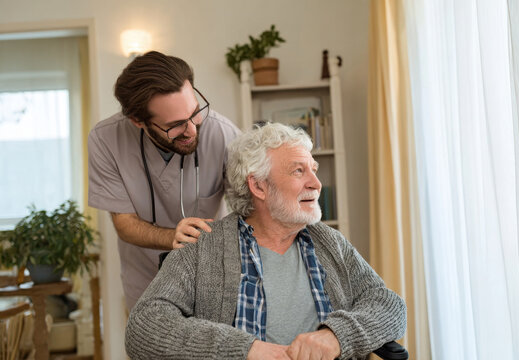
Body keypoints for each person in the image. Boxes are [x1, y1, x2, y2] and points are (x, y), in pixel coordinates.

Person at [125, 122, 407, 359]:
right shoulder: (204, 246)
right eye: (299, 171)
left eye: (314, 170)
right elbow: (144, 327)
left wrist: (336, 336)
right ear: (258, 185)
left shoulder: (329, 242)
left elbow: (389, 305)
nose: (316, 184)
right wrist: (246, 350)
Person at [88, 51, 241, 309]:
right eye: (177, 124)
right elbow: (124, 224)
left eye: (195, 112)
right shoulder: (106, 140)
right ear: (138, 120)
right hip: (147, 279)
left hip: (212, 276)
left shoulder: (223, 134)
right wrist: (174, 236)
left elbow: (254, 202)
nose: (193, 129)